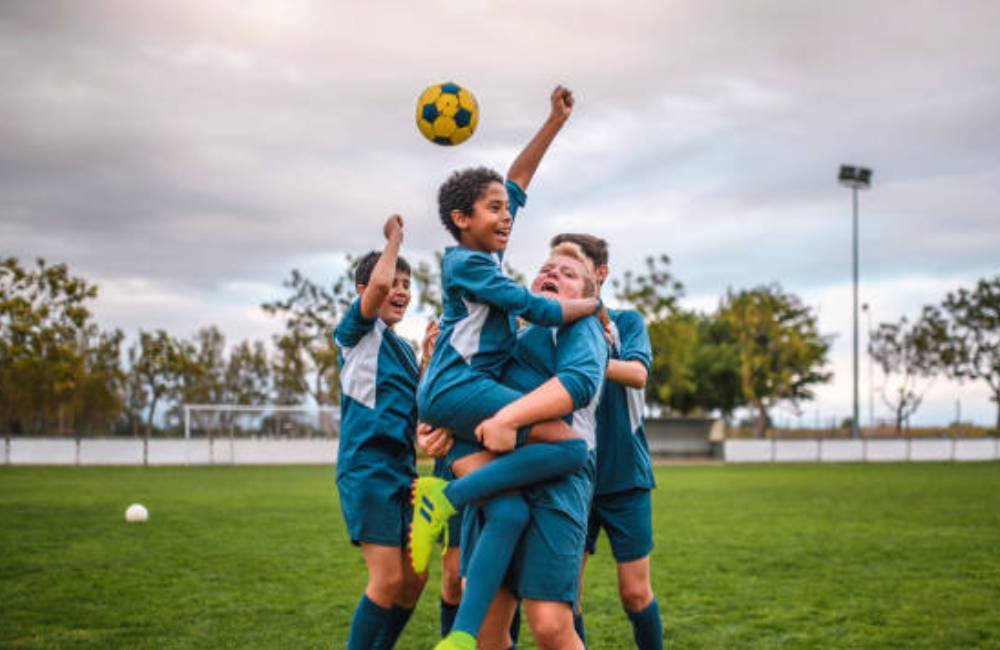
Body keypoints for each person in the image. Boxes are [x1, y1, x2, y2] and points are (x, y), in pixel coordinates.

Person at [412, 87, 599, 649]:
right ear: (460, 218)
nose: (507, 215)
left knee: (510, 513)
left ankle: (460, 638)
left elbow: (517, 179)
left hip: (465, 395)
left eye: (505, 208)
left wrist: (553, 122)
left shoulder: (486, 248)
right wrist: (591, 304)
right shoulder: (470, 265)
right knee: (569, 447)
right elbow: (536, 308)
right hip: (460, 389)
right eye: (493, 209)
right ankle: (440, 498)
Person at [422, 244, 608, 650]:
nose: (552, 274)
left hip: (556, 481)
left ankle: (446, 500)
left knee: (550, 624)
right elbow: (466, 397)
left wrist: (510, 418)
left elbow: (576, 384)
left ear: (586, 296)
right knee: (488, 631)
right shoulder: (508, 337)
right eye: (545, 268)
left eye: (567, 273)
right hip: (495, 478)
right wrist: (432, 426)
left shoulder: (581, 328)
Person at [551, 233, 664, 649]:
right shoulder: (551, 331)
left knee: (634, 592)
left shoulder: (627, 322)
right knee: (567, 597)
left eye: (574, 267)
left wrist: (588, 356)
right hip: (570, 479)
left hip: (625, 478)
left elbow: (637, 373)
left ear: (599, 274)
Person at [333, 215, 433, 649]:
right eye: (394, 281)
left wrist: (428, 360)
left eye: (407, 285)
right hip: (367, 468)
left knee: (415, 578)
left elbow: (420, 410)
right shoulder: (356, 334)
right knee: (388, 578)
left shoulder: (402, 349)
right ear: (364, 292)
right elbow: (375, 289)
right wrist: (394, 239)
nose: (400, 291)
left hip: (402, 472)